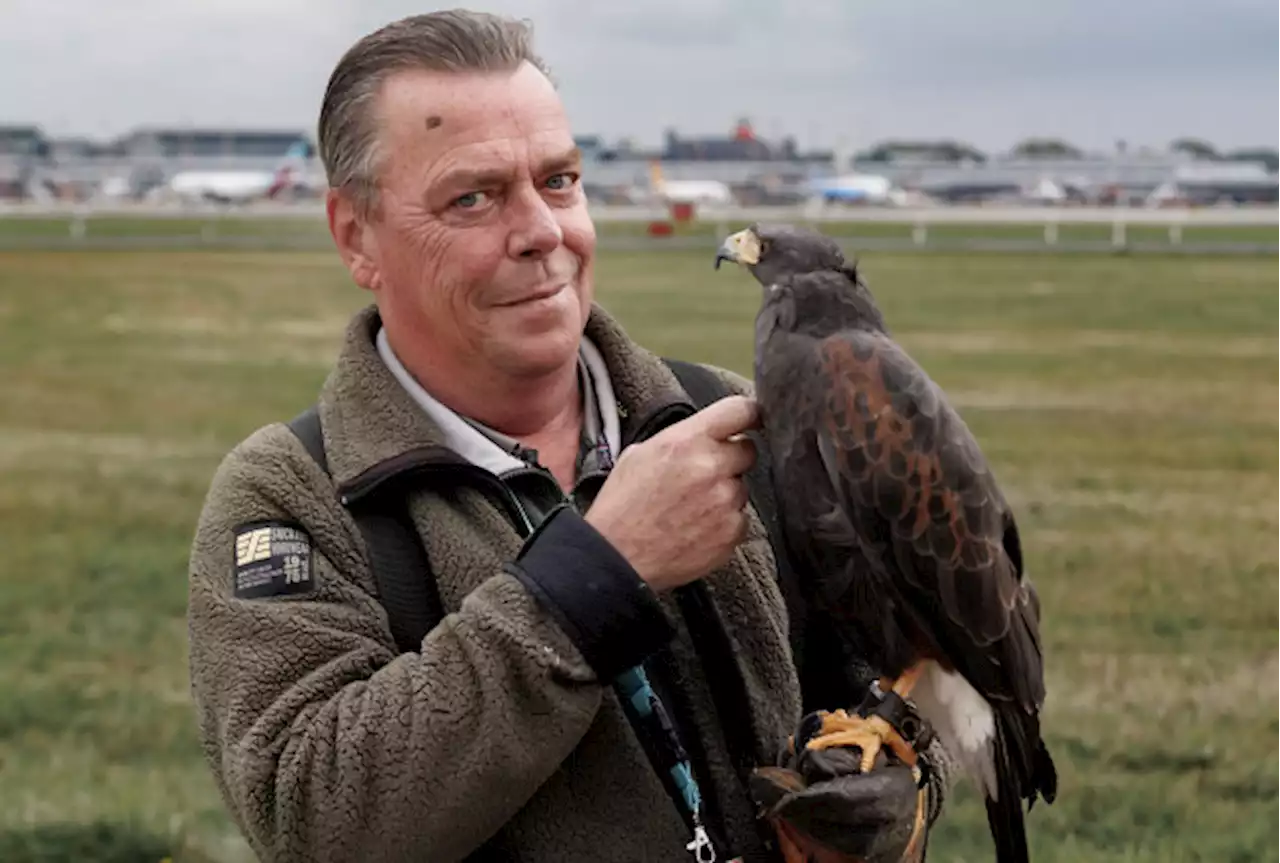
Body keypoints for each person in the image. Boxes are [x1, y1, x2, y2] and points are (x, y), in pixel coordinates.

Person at [186, 10, 954, 863]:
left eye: (559, 180)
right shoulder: (294, 497)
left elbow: (895, 681)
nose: (543, 233)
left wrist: (893, 790)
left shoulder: (731, 419)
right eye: (472, 197)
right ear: (356, 235)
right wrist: (597, 577)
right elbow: (315, 816)